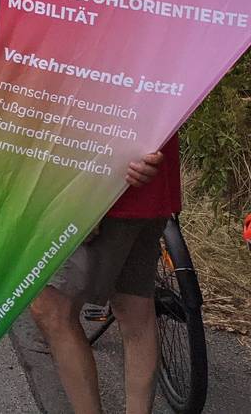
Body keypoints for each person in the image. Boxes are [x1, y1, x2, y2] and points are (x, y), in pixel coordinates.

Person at [30, 142, 180, 414]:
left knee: (51, 309)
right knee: (134, 309)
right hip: (149, 181)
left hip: (100, 186)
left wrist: (88, 194)